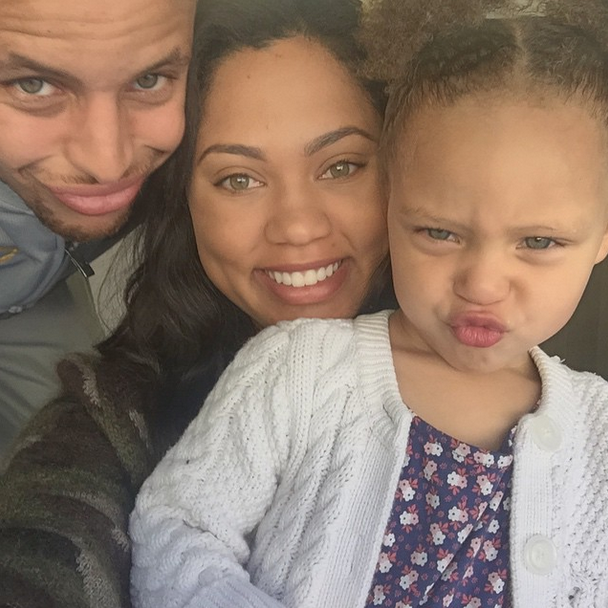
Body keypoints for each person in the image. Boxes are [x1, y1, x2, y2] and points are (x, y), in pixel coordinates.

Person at [130, 1, 608, 607]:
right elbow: (178, 527)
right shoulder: (297, 369)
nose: (483, 284)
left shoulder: (598, 430)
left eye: (538, 242)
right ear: (390, 204)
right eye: (439, 232)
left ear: (601, 236)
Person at [0, 0, 392, 605]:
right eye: (239, 179)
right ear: (184, 203)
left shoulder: (517, 370)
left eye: (341, 166)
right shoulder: (115, 419)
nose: (297, 227)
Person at [0, 0, 196, 457]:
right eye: (33, 84)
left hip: (34, 301)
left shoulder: (191, 142)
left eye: (148, 80)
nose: (109, 165)